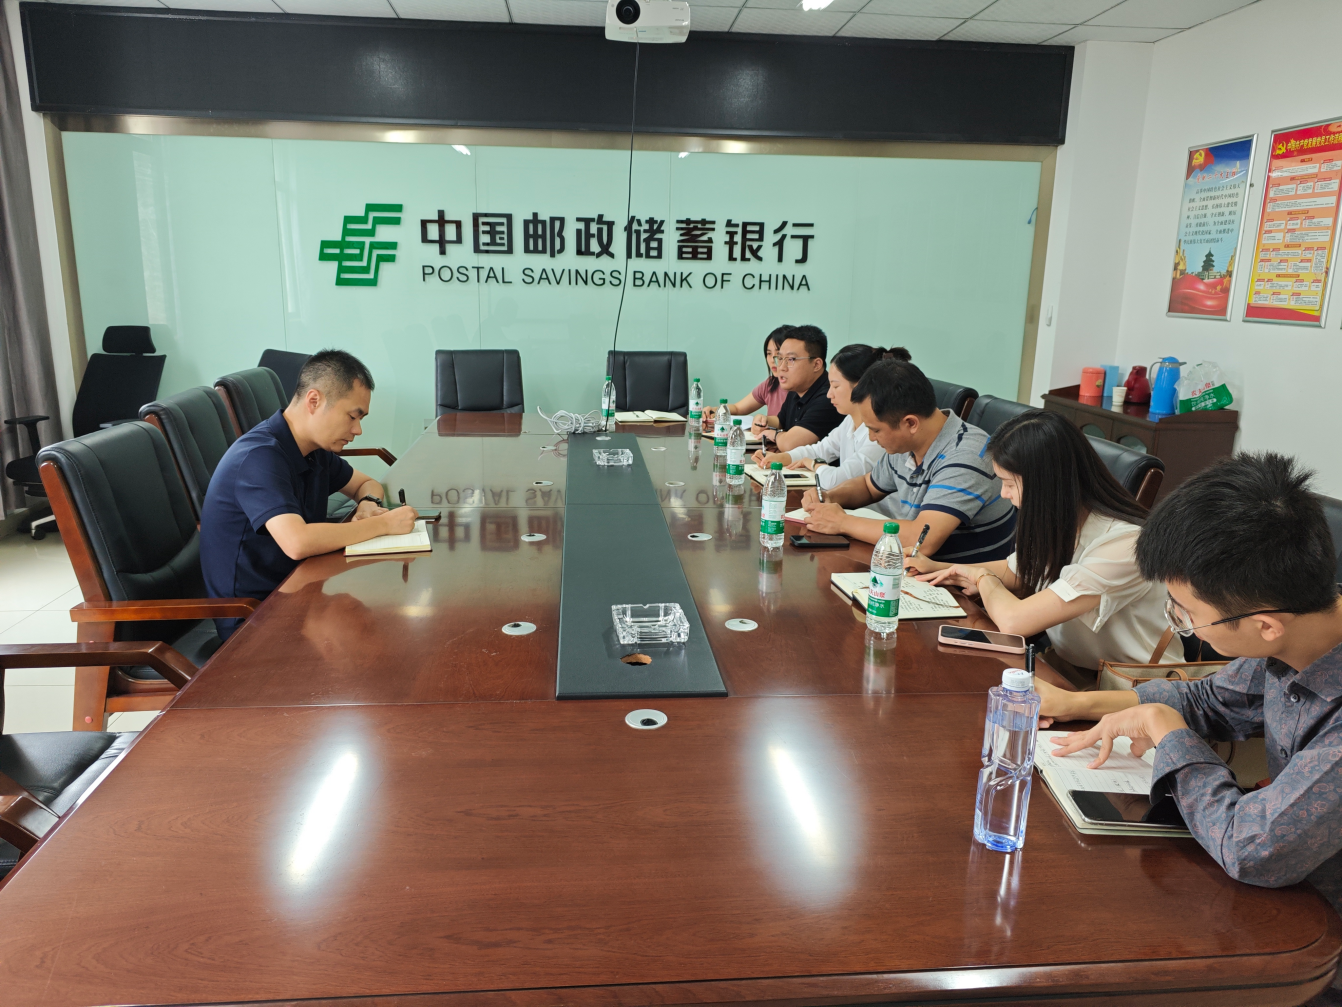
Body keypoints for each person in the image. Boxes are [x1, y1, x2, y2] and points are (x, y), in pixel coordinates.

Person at [1039, 454, 1342, 1005]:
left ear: (1265, 626)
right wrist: (1077, 702)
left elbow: (1254, 849)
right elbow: (1210, 699)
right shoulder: (1302, 629)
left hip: (1314, 942)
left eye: (1184, 614)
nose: (1180, 624)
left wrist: (1168, 733)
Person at [910, 410, 1175, 684]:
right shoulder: (1062, 522)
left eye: (1009, 484)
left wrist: (982, 577)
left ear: (1046, 484)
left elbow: (1014, 622)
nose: (1004, 493)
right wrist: (938, 568)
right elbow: (1018, 571)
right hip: (1071, 667)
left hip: (1132, 686)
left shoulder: (1124, 545)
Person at [201, 349, 418, 639]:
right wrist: (383, 524)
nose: (358, 430)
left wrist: (368, 504)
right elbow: (297, 543)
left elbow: (365, 484)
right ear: (314, 401)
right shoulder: (259, 458)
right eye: (352, 417)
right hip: (253, 621)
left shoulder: (313, 448)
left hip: (298, 592)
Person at [800, 359, 1014, 559]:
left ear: (911, 423)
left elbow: (922, 540)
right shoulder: (907, 445)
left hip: (962, 579)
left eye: (875, 430)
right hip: (915, 566)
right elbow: (868, 486)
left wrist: (843, 523)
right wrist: (829, 497)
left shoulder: (967, 455)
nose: (872, 438)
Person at [750, 344, 907, 492]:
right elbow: (820, 449)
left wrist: (814, 464)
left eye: (836, 386)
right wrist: (781, 458)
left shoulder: (880, 432)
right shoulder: (850, 420)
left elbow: (837, 480)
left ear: (861, 386)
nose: (829, 394)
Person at [753, 324, 843, 451]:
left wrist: (775, 434)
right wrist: (764, 421)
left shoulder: (829, 397)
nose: (781, 367)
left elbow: (790, 444)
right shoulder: (797, 388)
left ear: (816, 364)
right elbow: (781, 421)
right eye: (780, 358)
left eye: (791, 359)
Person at [713, 325, 793, 427]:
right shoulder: (770, 384)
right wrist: (715, 410)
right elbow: (738, 408)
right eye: (769, 353)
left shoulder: (801, 389)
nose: (772, 360)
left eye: (778, 354)